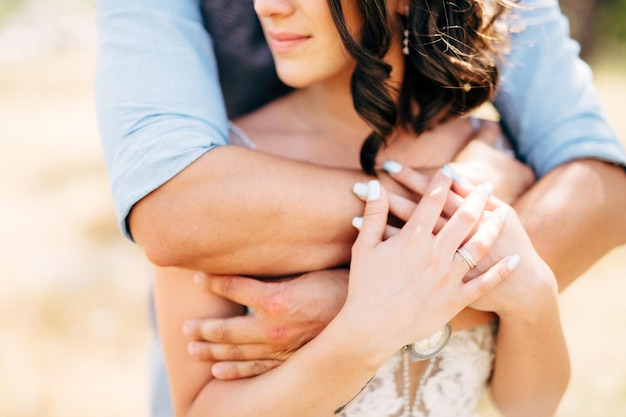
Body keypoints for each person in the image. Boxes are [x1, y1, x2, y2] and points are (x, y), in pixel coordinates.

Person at [94, 0, 626, 414]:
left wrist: (531, 294)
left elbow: (529, 404)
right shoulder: (222, 186)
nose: (265, 7)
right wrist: (368, 326)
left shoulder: (496, 157)